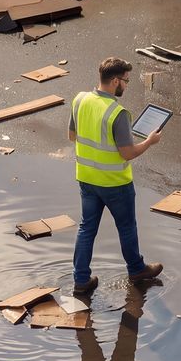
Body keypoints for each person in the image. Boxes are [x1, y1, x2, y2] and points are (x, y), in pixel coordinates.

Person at [69, 56, 164, 299]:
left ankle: (81, 280)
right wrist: (149, 142)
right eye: (126, 81)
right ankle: (136, 270)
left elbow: (72, 136)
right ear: (114, 81)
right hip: (115, 184)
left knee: (86, 229)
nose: (127, 85)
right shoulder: (118, 113)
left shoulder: (80, 100)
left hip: (87, 179)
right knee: (126, 227)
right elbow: (128, 153)